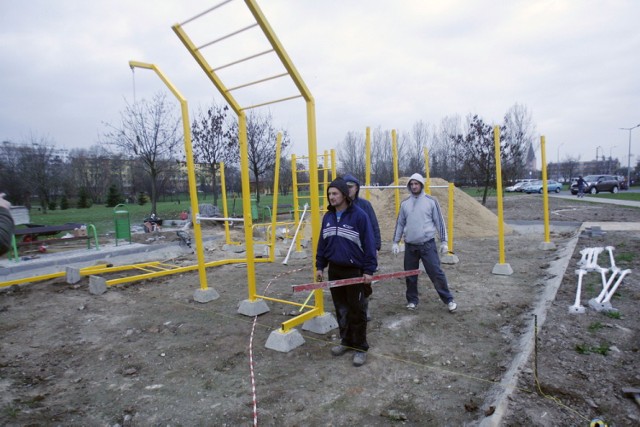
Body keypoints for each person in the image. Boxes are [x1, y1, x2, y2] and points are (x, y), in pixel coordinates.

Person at [316, 177, 377, 367]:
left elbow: (369, 244)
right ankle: (346, 341)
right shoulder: (328, 217)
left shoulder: (359, 216)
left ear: (344, 194)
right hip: (335, 270)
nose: (331, 197)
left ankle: (360, 347)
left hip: (354, 271)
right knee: (341, 309)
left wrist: (368, 270)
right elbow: (322, 243)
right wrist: (320, 266)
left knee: (357, 310)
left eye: (334, 193)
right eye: (329, 194)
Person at [392, 173, 457, 313]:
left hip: (427, 245)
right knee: (410, 275)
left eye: (417, 183)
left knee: (436, 273)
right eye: (412, 184)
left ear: (421, 185)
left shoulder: (431, 201)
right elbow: (400, 224)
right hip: (410, 246)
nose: (414, 186)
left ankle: (449, 300)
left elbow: (439, 222)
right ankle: (412, 300)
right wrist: (395, 242)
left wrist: (444, 242)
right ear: (409, 186)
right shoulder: (405, 204)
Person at [343, 173, 381, 321]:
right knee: (347, 283)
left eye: (350, 187)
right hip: (346, 252)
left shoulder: (365, 205)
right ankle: (348, 310)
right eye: (345, 188)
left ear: (357, 188)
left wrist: (376, 247)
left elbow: (374, 226)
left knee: (364, 282)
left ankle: (364, 309)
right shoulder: (339, 206)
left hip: (364, 251)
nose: (348, 190)